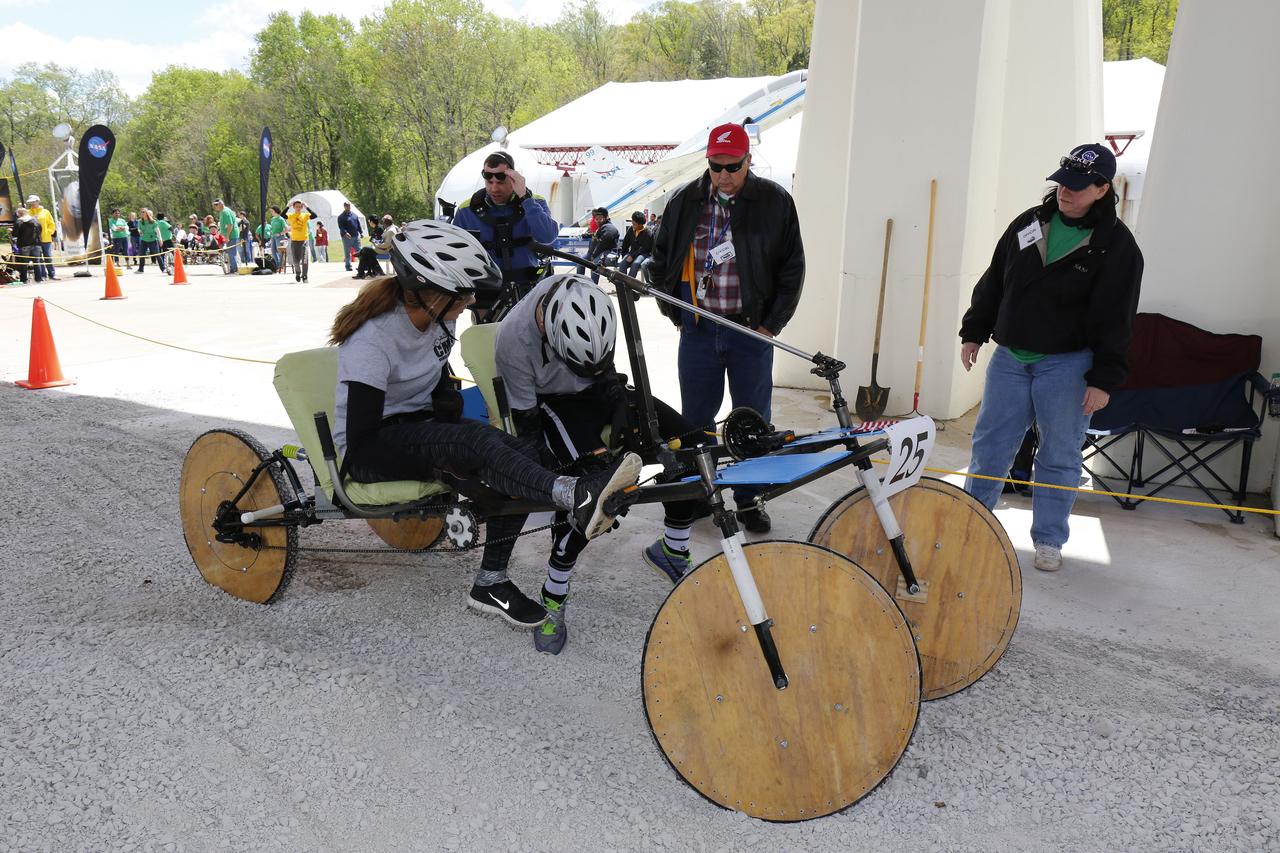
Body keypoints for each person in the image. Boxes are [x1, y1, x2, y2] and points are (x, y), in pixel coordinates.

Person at [331, 219, 641, 629]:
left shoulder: (440, 315)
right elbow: (363, 444)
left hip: (416, 427)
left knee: (519, 454)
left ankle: (490, 580)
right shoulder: (372, 342)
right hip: (373, 447)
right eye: (463, 292)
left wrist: (443, 395)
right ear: (429, 291)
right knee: (475, 446)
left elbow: (429, 371)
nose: (471, 300)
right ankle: (576, 496)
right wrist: (443, 471)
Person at [495, 274, 704, 654]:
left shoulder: (592, 305)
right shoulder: (513, 340)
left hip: (598, 390)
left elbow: (606, 375)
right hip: (550, 404)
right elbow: (526, 425)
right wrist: (558, 477)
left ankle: (672, 549)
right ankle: (553, 597)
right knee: (591, 496)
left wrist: (620, 403)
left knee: (692, 447)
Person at [959, 142, 1143, 573]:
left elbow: (1120, 318)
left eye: (1078, 187)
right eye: (1062, 183)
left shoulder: (1116, 246)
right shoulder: (1030, 223)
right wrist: (974, 331)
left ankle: (1048, 540)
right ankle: (970, 522)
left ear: (1103, 189)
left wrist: (1104, 379)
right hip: (1009, 358)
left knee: (1058, 455)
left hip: (1068, 365)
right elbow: (995, 282)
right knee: (990, 447)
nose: (1066, 192)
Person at [645, 122, 805, 534]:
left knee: (752, 420)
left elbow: (792, 269)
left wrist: (771, 326)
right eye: (717, 166)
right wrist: (677, 314)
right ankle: (701, 494)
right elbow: (659, 265)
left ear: (749, 161)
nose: (724, 176)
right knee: (696, 422)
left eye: (733, 166)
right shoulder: (684, 202)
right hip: (699, 331)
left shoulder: (774, 202)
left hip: (750, 334)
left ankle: (751, 500)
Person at [451, 150, 560, 315]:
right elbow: (456, 255)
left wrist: (525, 198)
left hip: (528, 294)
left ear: (513, 178)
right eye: (489, 182)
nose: (494, 188)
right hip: (487, 297)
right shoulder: (467, 210)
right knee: (486, 340)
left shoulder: (534, 202)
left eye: (500, 182)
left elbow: (547, 236)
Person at [355, 214, 396, 279]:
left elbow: (387, 244)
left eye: (384, 221)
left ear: (387, 222)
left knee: (365, 250)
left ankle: (364, 272)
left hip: (386, 250)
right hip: (382, 248)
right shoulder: (388, 228)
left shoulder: (390, 231)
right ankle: (370, 272)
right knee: (366, 253)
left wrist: (377, 244)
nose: (383, 223)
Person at [26, 195, 57, 280]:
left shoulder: (45, 212)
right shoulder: (28, 212)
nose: (32, 203)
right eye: (31, 202)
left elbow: (52, 224)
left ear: (38, 201)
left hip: (46, 239)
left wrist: (48, 232)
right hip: (34, 240)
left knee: (48, 257)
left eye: (34, 201)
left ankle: (52, 274)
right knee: (38, 259)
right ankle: (43, 275)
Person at [584, 207, 618, 283]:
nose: (597, 221)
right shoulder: (602, 227)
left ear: (605, 218)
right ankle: (580, 281)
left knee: (595, 264)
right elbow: (597, 236)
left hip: (607, 252)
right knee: (580, 261)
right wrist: (588, 235)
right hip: (595, 252)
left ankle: (594, 285)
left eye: (600, 219)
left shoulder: (609, 228)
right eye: (596, 219)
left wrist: (593, 255)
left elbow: (602, 244)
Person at [286, 199, 317, 283]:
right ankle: (298, 272)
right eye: (296, 207)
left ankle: (305, 275)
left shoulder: (305, 215)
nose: (298, 208)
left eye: (300, 207)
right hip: (295, 241)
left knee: (305, 259)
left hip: (304, 241)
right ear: (294, 207)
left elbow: (314, 215)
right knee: (296, 260)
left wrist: (307, 207)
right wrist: (288, 206)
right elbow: (282, 215)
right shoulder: (291, 216)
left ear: (302, 207)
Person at [616, 211, 653, 278]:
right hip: (632, 252)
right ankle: (622, 285)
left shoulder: (648, 232)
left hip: (643, 253)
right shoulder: (631, 229)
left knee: (635, 263)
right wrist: (624, 256)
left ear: (640, 224)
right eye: (632, 223)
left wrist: (632, 256)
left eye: (634, 224)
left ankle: (629, 284)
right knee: (622, 264)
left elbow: (644, 248)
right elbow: (625, 244)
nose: (632, 225)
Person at [13, 207, 43, 284]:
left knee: (24, 263)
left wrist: (11, 231)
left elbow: (15, 234)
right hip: (36, 244)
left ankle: (24, 280)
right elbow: (40, 229)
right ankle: (39, 279)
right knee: (37, 262)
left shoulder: (19, 222)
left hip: (24, 245)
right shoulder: (35, 220)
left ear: (18, 214)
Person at [212, 199, 240, 275]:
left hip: (232, 235)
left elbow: (230, 225)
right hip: (229, 235)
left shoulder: (225, 212)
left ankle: (234, 269)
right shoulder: (222, 212)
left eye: (216, 205)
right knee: (229, 252)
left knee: (231, 252)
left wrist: (227, 236)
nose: (215, 207)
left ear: (221, 204)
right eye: (214, 205)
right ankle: (232, 268)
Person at [337, 201, 362, 272]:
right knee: (347, 252)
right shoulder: (341, 217)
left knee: (360, 251)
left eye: (349, 206)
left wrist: (361, 232)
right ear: (344, 207)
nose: (348, 207)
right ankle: (348, 266)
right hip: (347, 237)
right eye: (347, 206)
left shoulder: (354, 215)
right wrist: (345, 233)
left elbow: (358, 224)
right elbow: (341, 227)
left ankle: (362, 265)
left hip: (356, 236)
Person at [136, 208, 161, 273]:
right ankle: (140, 269)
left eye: (143, 212)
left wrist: (160, 239)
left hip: (152, 240)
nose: (142, 213)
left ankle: (163, 268)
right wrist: (139, 231)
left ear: (147, 213)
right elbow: (139, 228)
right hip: (144, 240)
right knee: (141, 254)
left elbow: (157, 231)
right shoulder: (139, 221)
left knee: (157, 254)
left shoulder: (153, 221)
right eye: (141, 212)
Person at [267, 205, 287, 270]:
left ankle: (281, 266)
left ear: (275, 211)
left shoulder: (281, 219)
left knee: (280, 252)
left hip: (280, 237)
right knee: (273, 251)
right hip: (273, 237)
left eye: (272, 211)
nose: (271, 213)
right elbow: (272, 229)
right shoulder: (272, 219)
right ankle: (277, 265)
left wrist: (280, 233)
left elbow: (286, 229)